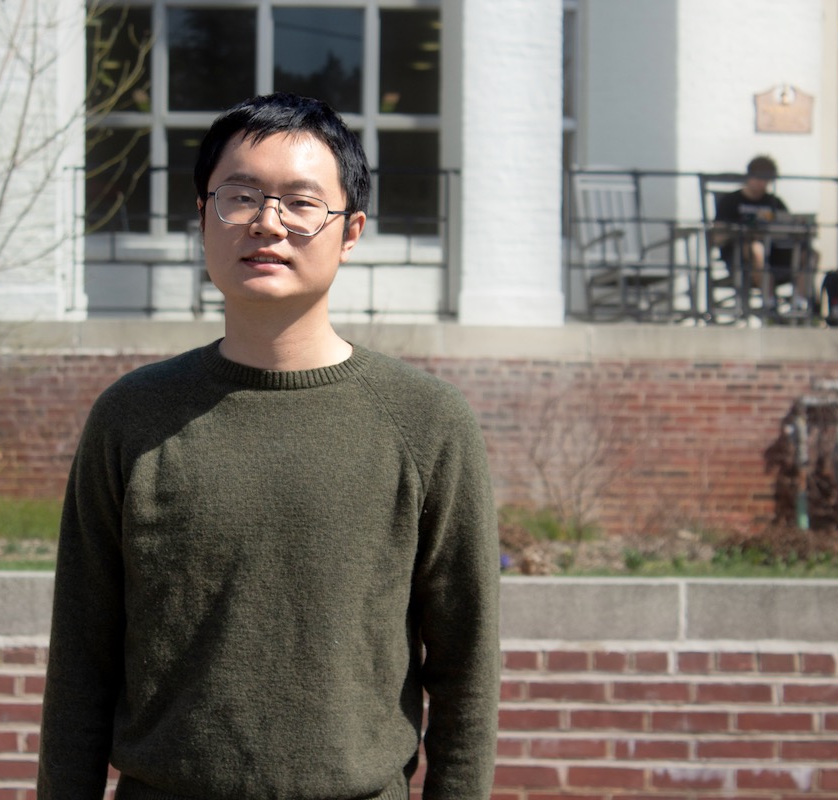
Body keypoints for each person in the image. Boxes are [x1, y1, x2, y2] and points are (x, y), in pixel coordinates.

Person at [37, 92, 500, 800]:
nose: (267, 223)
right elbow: (81, 661)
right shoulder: (132, 418)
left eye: (300, 202)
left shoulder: (426, 423)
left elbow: (466, 666)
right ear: (201, 218)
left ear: (350, 232)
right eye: (240, 197)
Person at [713, 154, 814, 312]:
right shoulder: (730, 201)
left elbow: (787, 227)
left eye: (766, 180)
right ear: (749, 176)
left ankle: (801, 304)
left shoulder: (774, 202)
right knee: (756, 249)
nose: (762, 184)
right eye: (759, 178)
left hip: (775, 254)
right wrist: (746, 231)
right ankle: (769, 304)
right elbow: (717, 236)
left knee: (810, 255)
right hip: (741, 257)